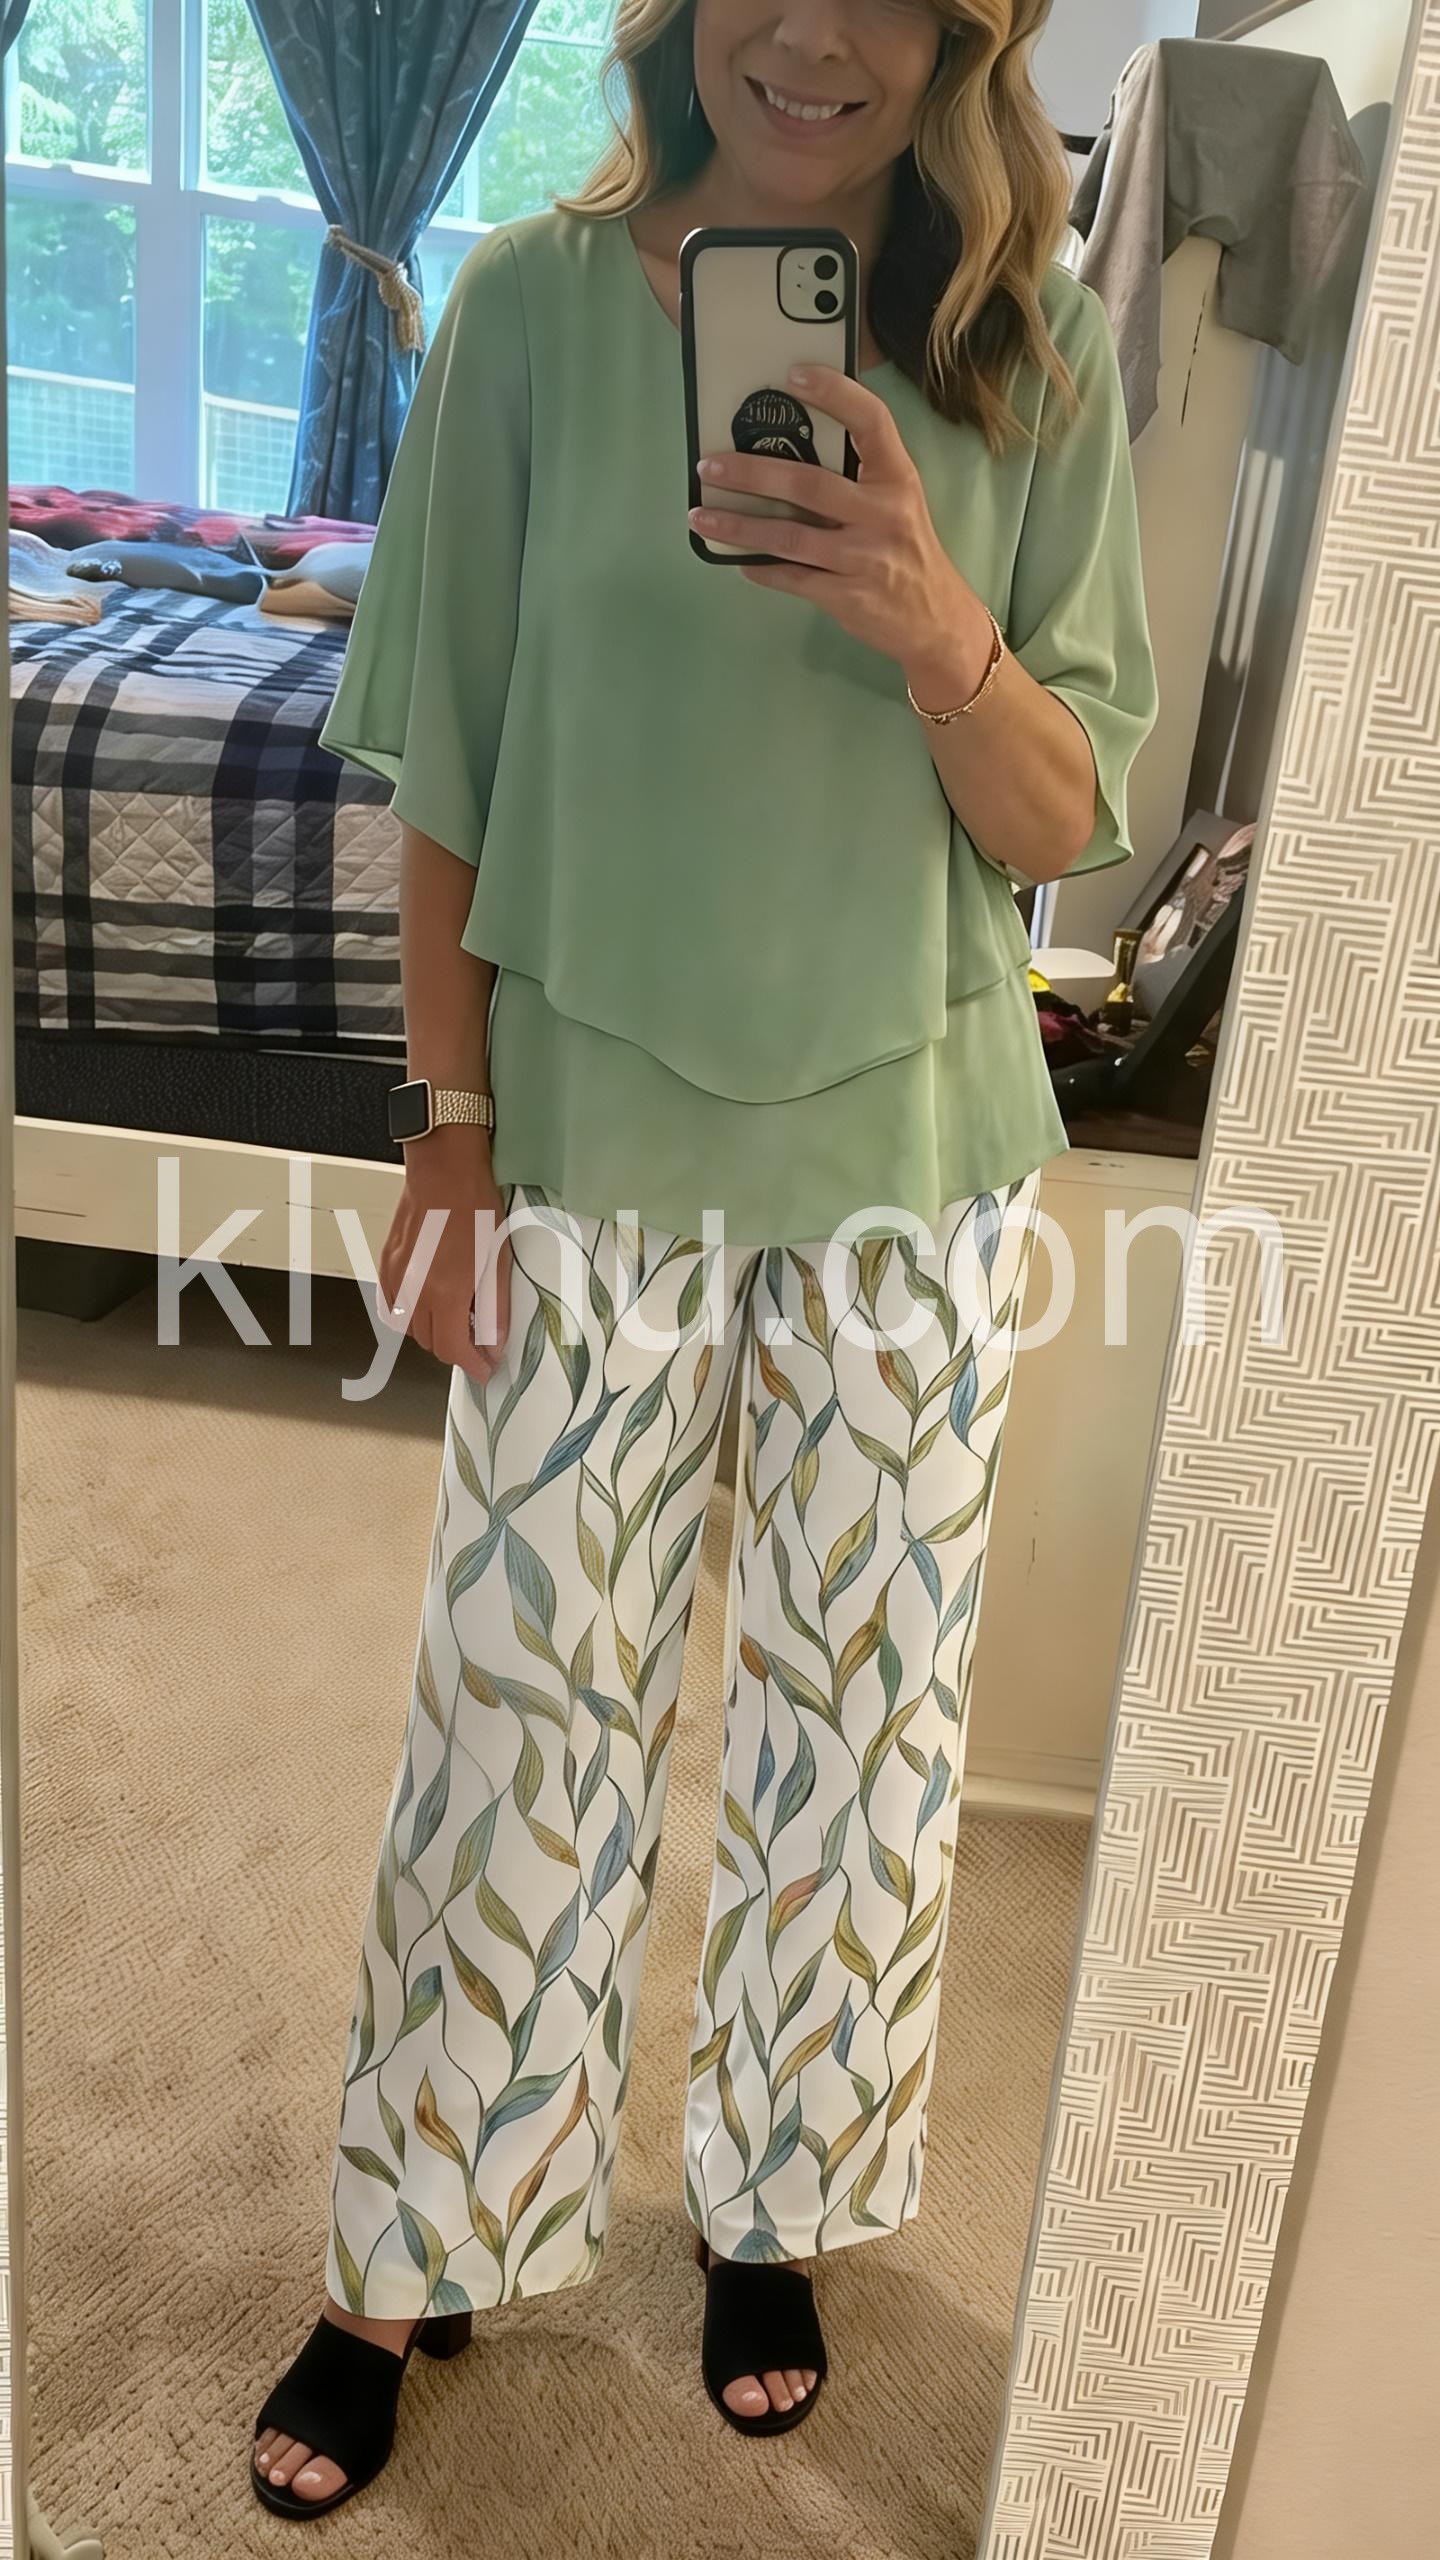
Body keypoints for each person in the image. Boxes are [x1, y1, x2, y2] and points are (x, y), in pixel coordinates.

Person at [251, 0, 1157, 2516]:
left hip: (912, 1146)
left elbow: (1061, 812)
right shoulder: (530, 311)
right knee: (516, 1714)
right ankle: (412, 2239)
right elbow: (451, 757)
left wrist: (934, 618)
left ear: (965, 31)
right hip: (590, 1126)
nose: (813, 36)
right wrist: (445, 1131)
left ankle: (775, 2203)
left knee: (861, 1734)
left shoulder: (1032, 345)